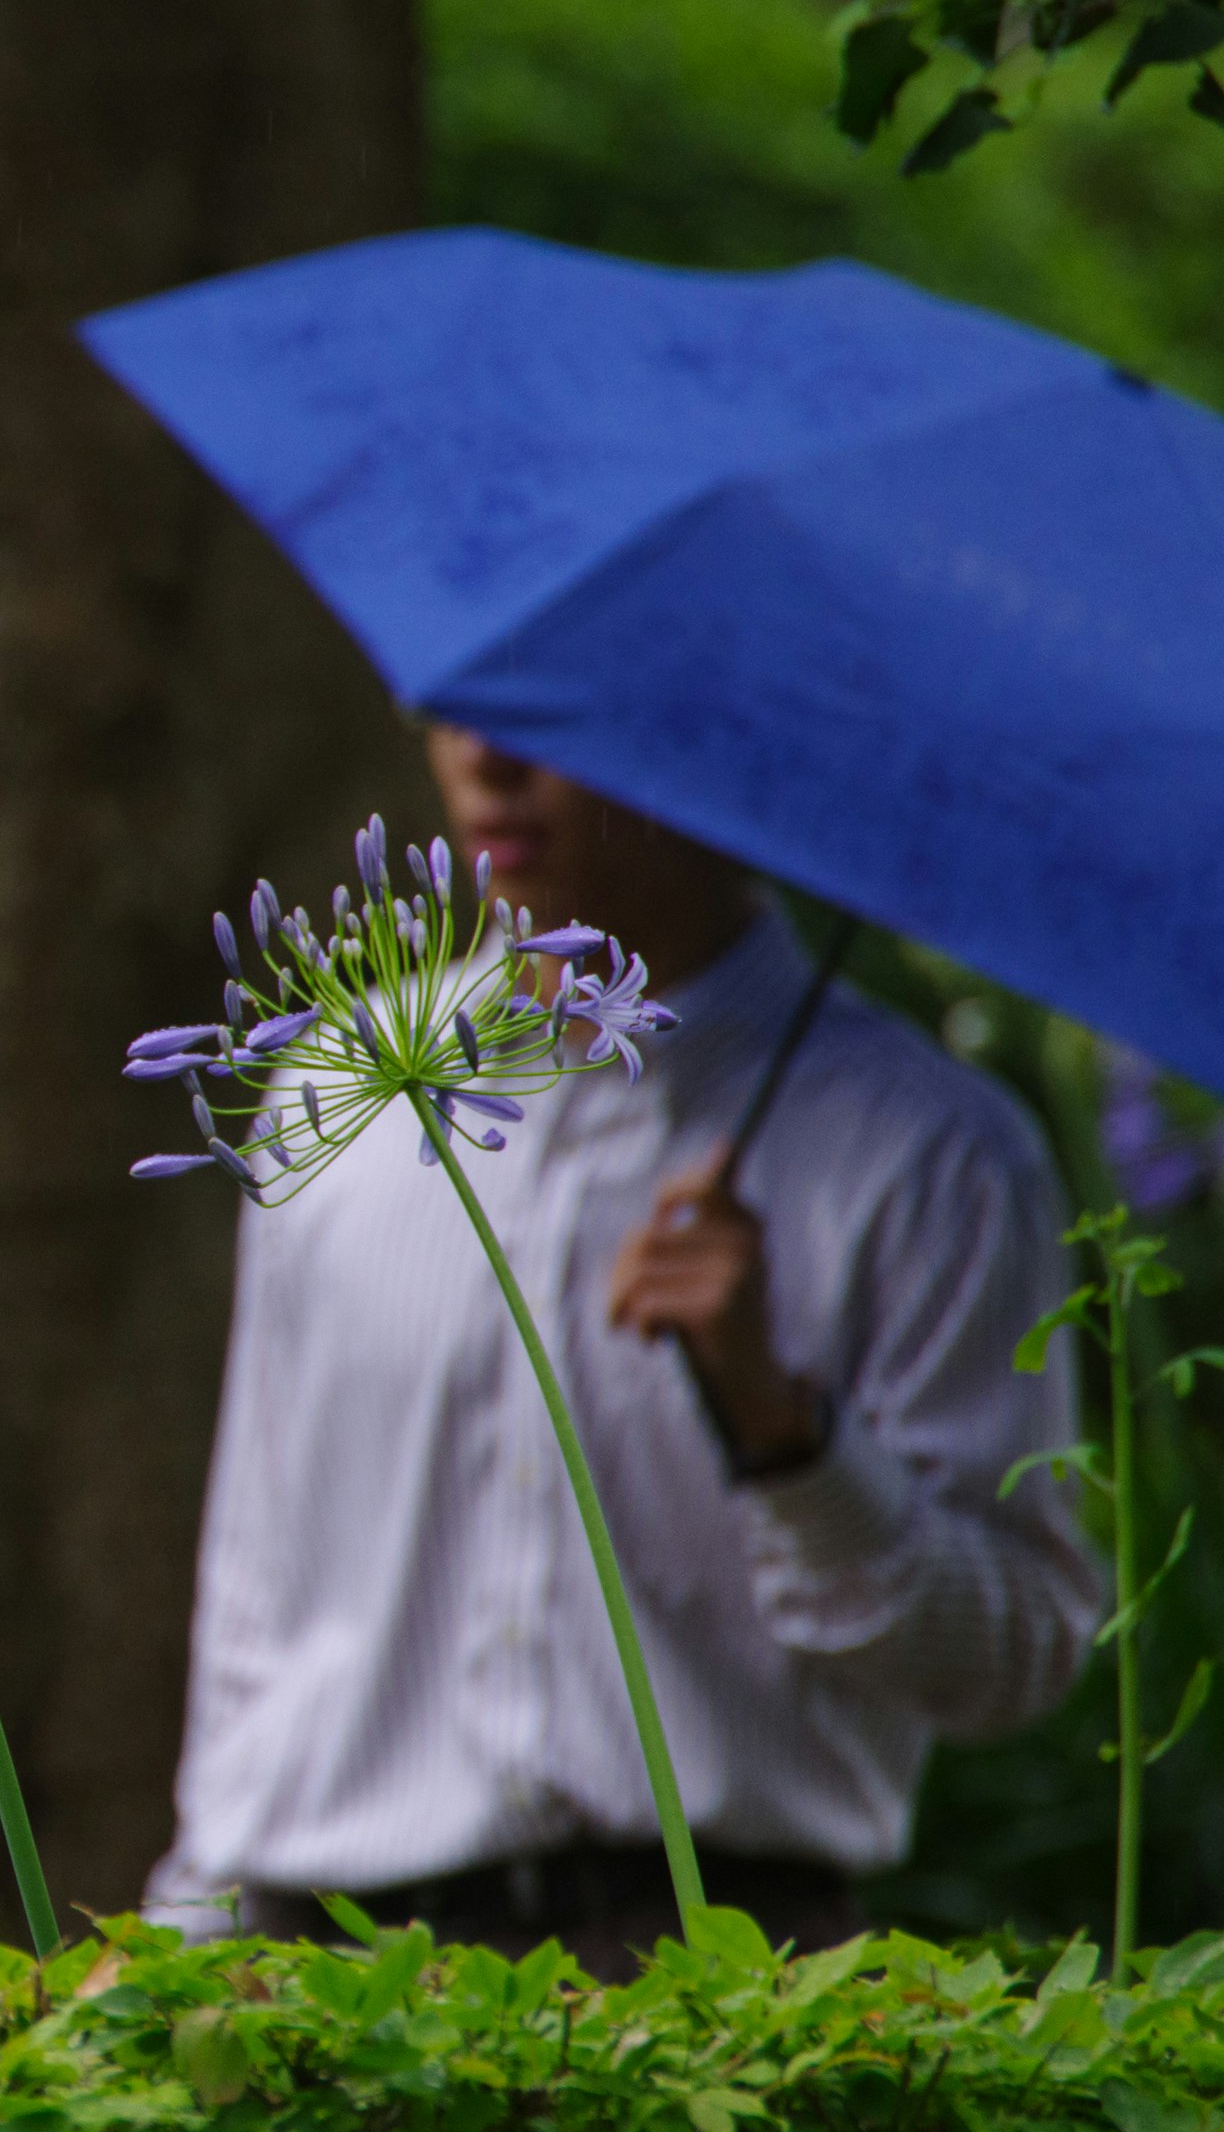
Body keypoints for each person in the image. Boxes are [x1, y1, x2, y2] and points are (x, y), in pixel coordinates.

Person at [143, 726, 1101, 1969]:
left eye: (548, 712)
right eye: (459, 701)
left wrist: (789, 1438)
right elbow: (262, 1586)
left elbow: (1020, 1653)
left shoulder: (931, 1158)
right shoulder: (332, 1099)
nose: (485, 758)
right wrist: (180, 1942)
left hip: (711, 1977)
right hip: (318, 1968)